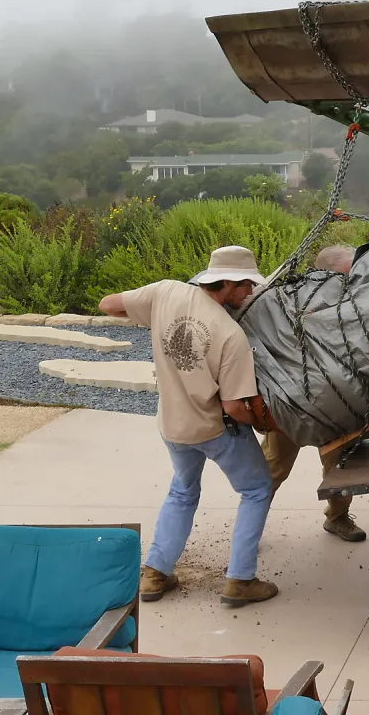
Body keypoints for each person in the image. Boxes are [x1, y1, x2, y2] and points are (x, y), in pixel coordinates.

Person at [99, 245, 279, 607]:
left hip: (172, 425)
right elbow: (233, 406)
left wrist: (150, 316)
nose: (249, 293)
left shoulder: (164, 292)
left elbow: (108, 304)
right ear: (226, 283)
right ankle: (240, 580)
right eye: (245, 286)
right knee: (258, 487)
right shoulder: (230, 335)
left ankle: (154, 574)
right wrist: (265, 427)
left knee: (182, 491)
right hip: (212, 429)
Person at [258, 243, 368, 542]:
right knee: (272, 470)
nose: (351, 279)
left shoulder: (352, 301)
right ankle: (249, 531)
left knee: (341, 468)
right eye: (346, 273)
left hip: (335, 406)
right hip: (290, 404)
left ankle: (338, 518)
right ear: (324, 273)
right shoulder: (289, 301)